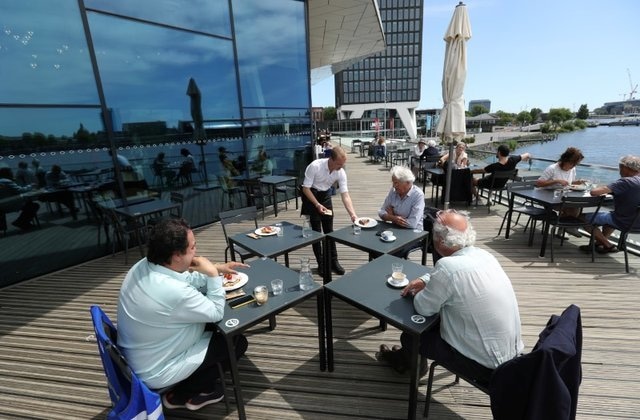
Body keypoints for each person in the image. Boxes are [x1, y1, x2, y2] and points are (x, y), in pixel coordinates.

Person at [117, 218, 249, 411]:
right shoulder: (170, 291)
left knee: (215, 330)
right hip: (156, 368)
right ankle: (181, 394)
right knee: (235, 342)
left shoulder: (145, 265)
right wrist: (212, 275)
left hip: (142, 352)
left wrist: (216, 268)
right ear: (177, 255)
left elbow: (184, 276)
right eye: (193, 247)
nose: (196, 251)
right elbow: (215, 311)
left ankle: (195, 384)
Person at [377, 209, 524, 383]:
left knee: (410, 336)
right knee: (434, 322)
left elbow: (423, 307)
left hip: (485, 368)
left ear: (439, 241)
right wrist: (426, 280)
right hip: (513, 359)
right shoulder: (484, 255)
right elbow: (453, 274)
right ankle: (406, 357)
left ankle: (410, 367)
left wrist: (420, 291)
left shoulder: (447, 267)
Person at [301, 146, 358, 275]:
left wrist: (353, 214)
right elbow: (305, 188)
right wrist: (316, 204)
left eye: (343, 164)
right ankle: (321, 263)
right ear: (331, 159)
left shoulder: (340, 171)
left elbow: (345, 194)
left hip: (325, 196)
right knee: (316, 233)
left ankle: (333, 261)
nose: (341, 167)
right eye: (339, 164)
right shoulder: (315, 166)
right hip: (312, 196)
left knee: (330, 232)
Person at [580, 155, 640, 253]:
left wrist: (608, 187)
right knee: (611, 216)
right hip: (636, 223)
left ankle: (607, 244)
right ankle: (599, 244)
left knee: (582, 218)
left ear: (625, 168)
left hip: (624, 222)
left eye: (620, 168)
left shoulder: (626, 182)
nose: (619, 171)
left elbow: (594, 192)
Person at [377, 166, 425, 258]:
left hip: (413, 234)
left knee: (391, 253)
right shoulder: (394, 191)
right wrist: (393, 218)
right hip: (395, 229)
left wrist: (392, 215)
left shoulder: (418, 195)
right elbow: (381, 211)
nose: (394, 186)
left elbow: (412, 224)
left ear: (407, 183)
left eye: (396, 183)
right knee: (376, 247)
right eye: (393, 182)